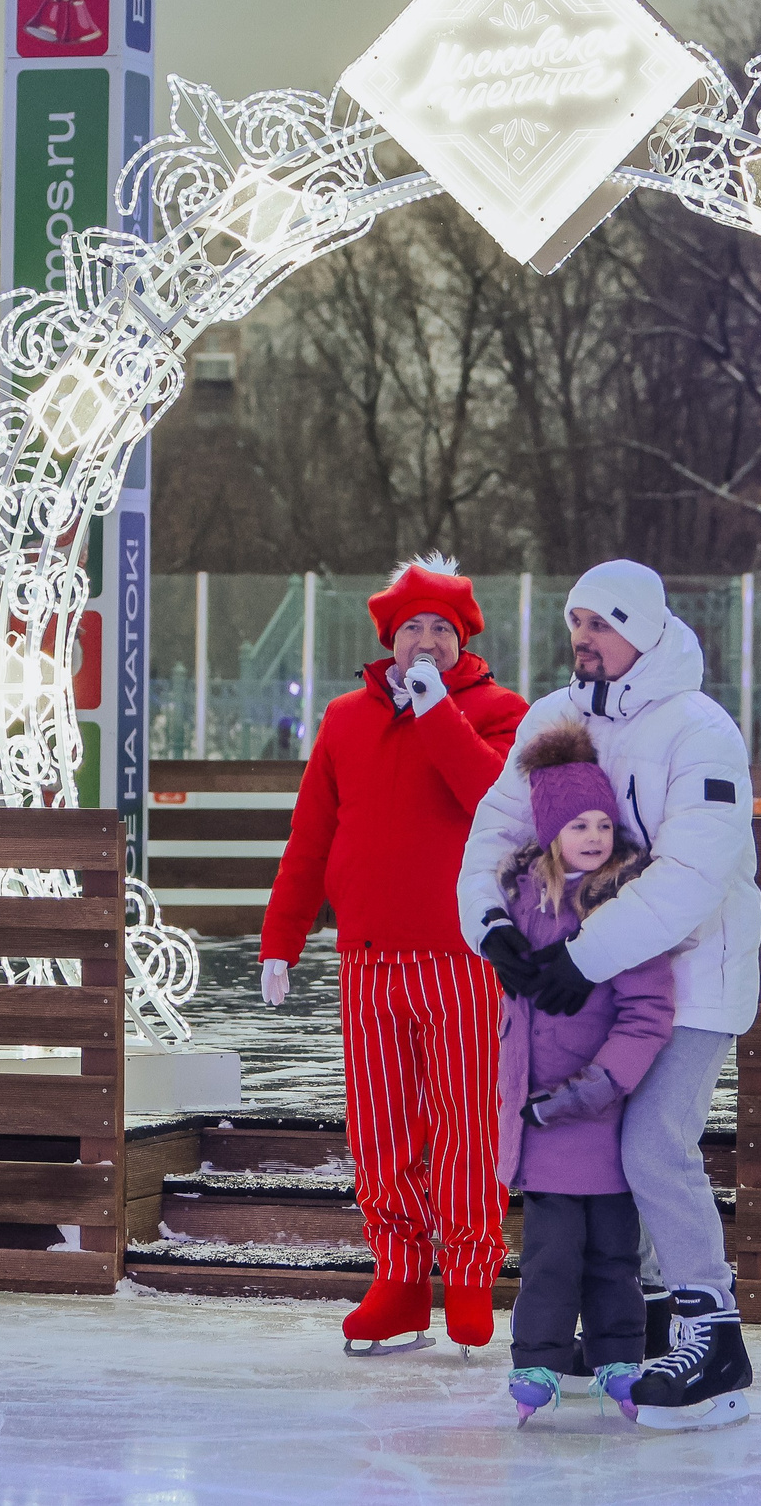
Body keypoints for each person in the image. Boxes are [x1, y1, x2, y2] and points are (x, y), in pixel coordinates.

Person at [459, 558, 761, 1432]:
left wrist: (584, 956)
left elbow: (692, 873)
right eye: (575, 624)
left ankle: (715, 1333)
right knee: (602, 1149)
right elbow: (497, 832)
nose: (583, 640)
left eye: (601, 623)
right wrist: (495, 928)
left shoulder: (700, 729)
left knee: (653, 1143)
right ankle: (639, 1330)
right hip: (593, 984)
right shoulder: (556, 720)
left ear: (644, 628)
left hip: (695, 976)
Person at [257, 554, 527, 1356]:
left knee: (469, 1121)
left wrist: (437, 710)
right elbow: (310, 839)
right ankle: (401, 1279)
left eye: (443, 627)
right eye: (413, 625)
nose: (426, 639)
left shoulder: (501, 712)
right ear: (388, 635)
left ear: (465, 638)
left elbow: (489, 798)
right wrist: (283, 938)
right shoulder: (344, 719)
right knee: (379, 1127)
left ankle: (472, 1275)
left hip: (464, 957)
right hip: (370, 959)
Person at [489, 723, 674, 1427]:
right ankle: (536, 1358)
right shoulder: (523, 906)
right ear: (549, 832)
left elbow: (648, 1009)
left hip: (602, 1111)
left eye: (602, 821)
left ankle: (618, 1356)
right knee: (550, 1255)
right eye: (577, 823)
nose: (594, 834)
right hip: (544, 1124)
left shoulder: (625, 907)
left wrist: (593, 1089)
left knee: (613, 1255)